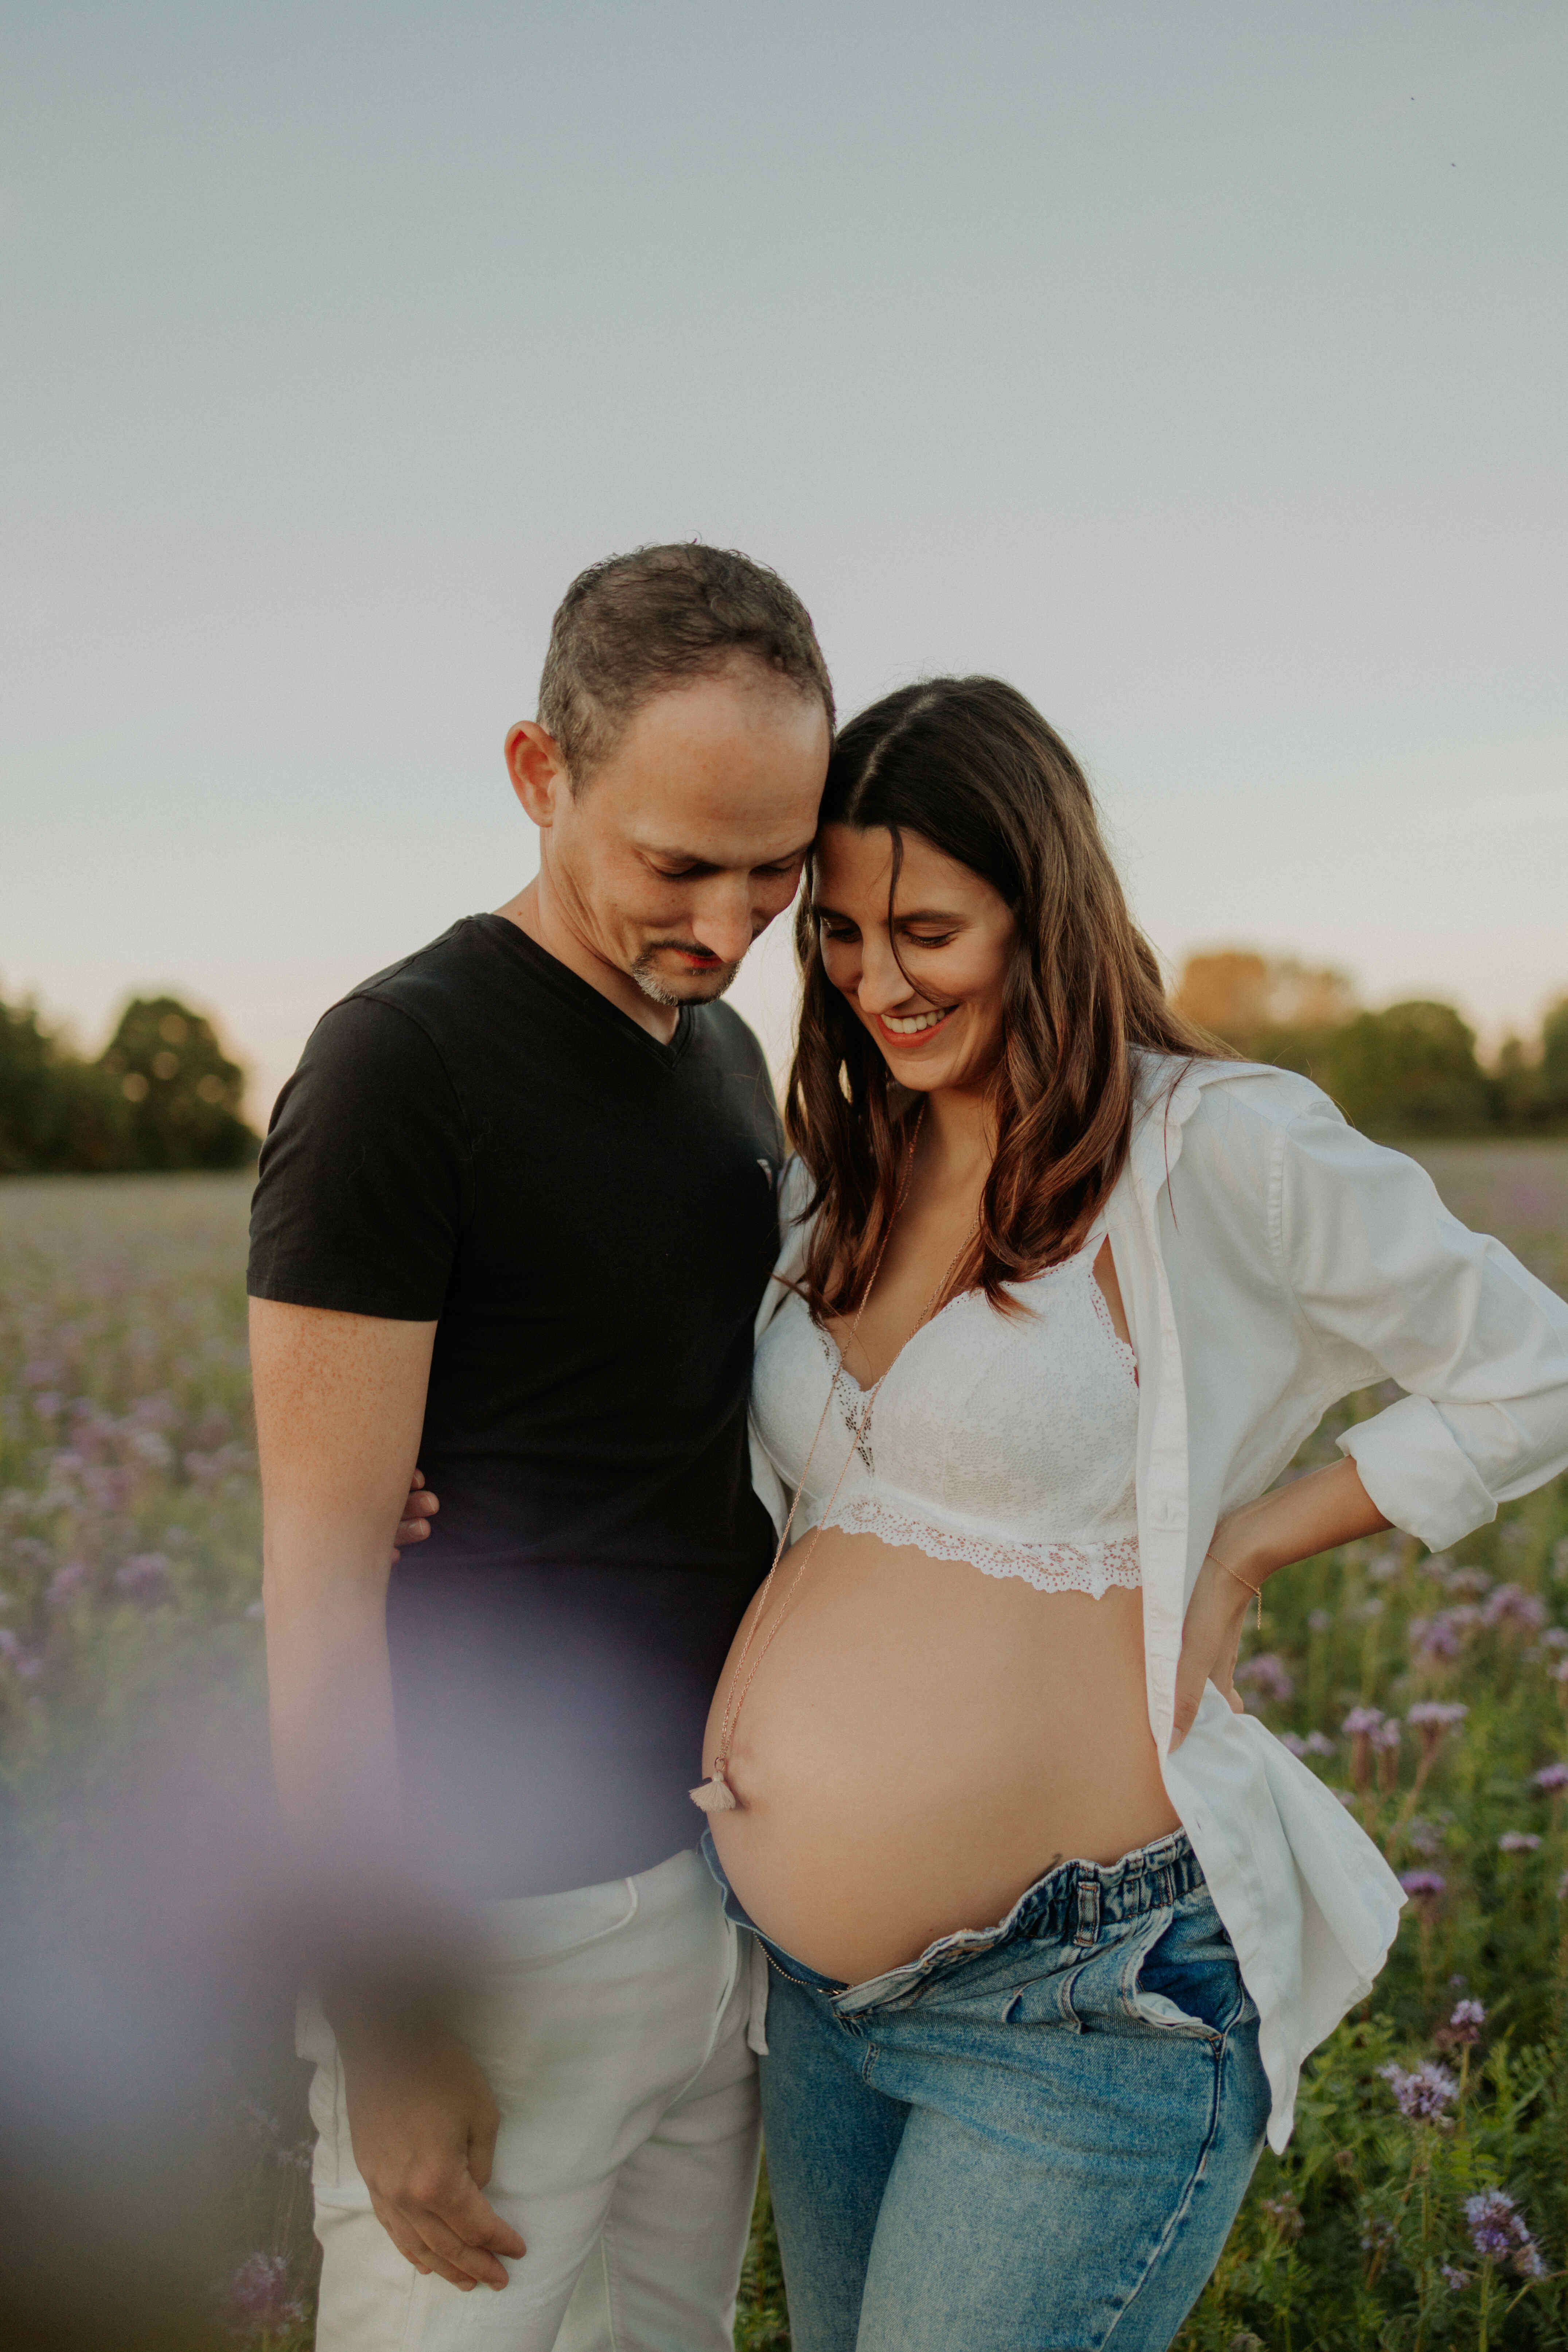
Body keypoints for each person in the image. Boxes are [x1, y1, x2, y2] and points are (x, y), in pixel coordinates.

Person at [676, 676, 1568, 2349]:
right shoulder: (841, 1165)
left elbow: (1533, 1367)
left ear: (1046, 908)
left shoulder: (1213, 1146)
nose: (876, 981)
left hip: (1076, 2011)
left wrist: (1246, 1542)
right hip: (814, 2002)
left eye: (927, 928)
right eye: (845, 935)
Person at [247, 543, 833, 2352]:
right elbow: (322, 1585)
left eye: (774, 867)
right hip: (489, 1926)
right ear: (537, 771)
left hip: (713, 1906)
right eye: (676, 862)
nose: (729, 922)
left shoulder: (724, 1054)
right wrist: (389, 2014)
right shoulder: (399, 1064)